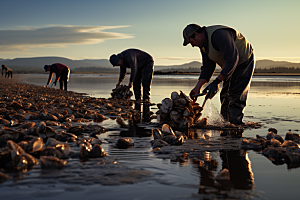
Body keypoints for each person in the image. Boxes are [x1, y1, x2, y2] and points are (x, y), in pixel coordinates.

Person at [183, 24, 255, 125]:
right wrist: (197, 88)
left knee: (235, 97)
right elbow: (208, 67)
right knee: (225, 96)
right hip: (229, 65)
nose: (193, 45)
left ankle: (235, 127)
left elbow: (232, 60)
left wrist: (217, 81)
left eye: (191, 42)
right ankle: (225, 127)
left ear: (197, 34)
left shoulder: (219, 35)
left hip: (243, 61)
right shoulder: (203, 45)